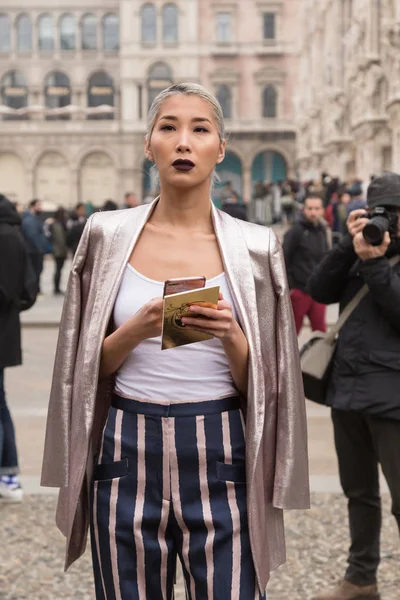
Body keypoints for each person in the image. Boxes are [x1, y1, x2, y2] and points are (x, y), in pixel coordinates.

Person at [41, 83, 309, 599]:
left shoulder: (256, 247)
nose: (183, 141)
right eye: (169, 127)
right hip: (125, 446)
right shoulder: (105, 234)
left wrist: (232, 337)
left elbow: (271, 384)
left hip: (220, 445)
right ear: (149, 145)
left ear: (220, 149)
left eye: (199, 129)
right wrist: (134, 331)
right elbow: (78, 370)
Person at [307, 172, 400, 600]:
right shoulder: (359, 249)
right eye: (383, 213)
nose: (388, 224)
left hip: (394, 399)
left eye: (396, 215)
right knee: (358, 494)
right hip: (347, 392)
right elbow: (319, 291)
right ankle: (360, 580)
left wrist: (378, 264)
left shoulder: (380, 261)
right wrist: (349, 245)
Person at [0, 195, 28, 502]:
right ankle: (8, 474)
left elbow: (8, 291)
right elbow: (27, 290)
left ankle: (8, 477)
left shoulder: (5, 235)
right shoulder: (13, 233)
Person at [283, 195, 329, 335]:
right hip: (299, 291)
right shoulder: (296, 231)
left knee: (321, 332)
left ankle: (319, 358)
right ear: (304, 210)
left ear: (322, 210)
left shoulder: (322, 230)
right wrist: (291, 287)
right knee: (291, 334)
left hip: (318, 291)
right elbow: (283, 258)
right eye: (310, 208)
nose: (313, 212)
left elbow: (326, 259)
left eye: (316, 208)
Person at [21, 199, 47, 294]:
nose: (41, 207)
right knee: (34, 271)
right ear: (33, 206)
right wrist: (40, 247)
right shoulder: (29, 220)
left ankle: (36, 289)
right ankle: (33, 290)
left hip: (36, 250)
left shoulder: (35, 218)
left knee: (37, 271)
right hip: (33, 251)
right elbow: (33, 235)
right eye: (39, 205)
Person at [50, 208, 68, 295]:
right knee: (58, 269)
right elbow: (60, 239)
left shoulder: (57, 223)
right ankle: (56, 288)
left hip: (58, 250)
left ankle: (57, 287)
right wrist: (63, 250)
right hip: (59, 251)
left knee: (58, 269)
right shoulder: (57, 224)